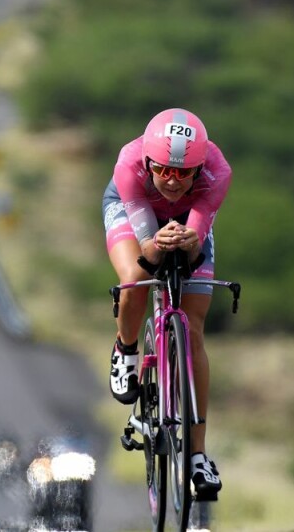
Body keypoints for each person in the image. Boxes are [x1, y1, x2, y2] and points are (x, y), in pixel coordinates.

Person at [102, 107, 230, 497]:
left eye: (183, 172)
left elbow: (198, 231)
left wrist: (190, 242)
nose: (172, 181)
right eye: (163, 170)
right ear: (147, 163)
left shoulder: (218, 172)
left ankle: (197, 456)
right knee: (136, 278)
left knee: (191, 330)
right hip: (134, 209)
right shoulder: (129, 164)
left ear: (199, 168)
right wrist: (156, 246)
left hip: (189, 221)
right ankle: (125, 349)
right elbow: (146, 250)